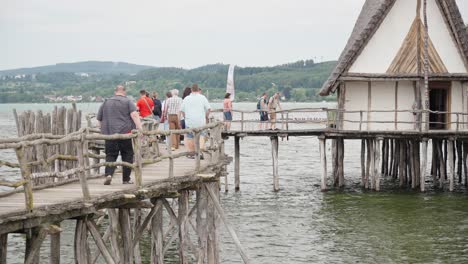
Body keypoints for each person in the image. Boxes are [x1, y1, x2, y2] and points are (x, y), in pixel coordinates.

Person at [97, 85, 142, 185]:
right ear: (124, 92)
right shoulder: (128, 101)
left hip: (109, 134)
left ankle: (109, 174)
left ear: (115, 92)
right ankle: (126, 179)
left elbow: (99, 120)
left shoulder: (106, 102)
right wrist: (140, 128)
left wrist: (102, 130)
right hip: (125, 133)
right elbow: (134, 115)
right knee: (127, 155)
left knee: (110, 155)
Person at [181, 84, 211, 159]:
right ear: (198, 90)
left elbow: (182, 111)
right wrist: (206, 116)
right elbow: (209, 109)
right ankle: (200, 152)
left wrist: (185, 118)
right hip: (201, 121)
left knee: (190, 137)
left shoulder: (186, 98)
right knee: (202, 135)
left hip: (190, 121)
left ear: (191, 90)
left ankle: (192, 153)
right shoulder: (203, 97)